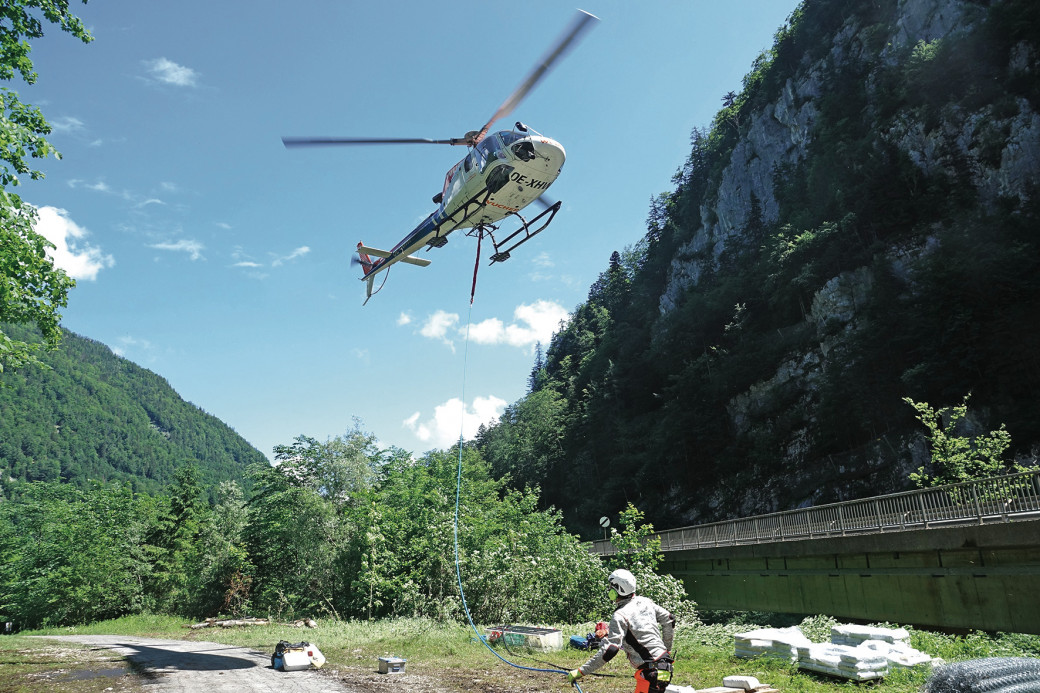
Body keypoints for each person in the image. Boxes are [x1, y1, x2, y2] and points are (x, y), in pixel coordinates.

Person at [567, 568, 676, 693]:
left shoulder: (620, 615)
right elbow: (670, 619)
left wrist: (581, 671)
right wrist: (666, 650)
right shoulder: (646, 602)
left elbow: (611, 649)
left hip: (651, 672)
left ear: (616, 590)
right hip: (664, 667)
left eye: (611, 587)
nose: (609, 590)